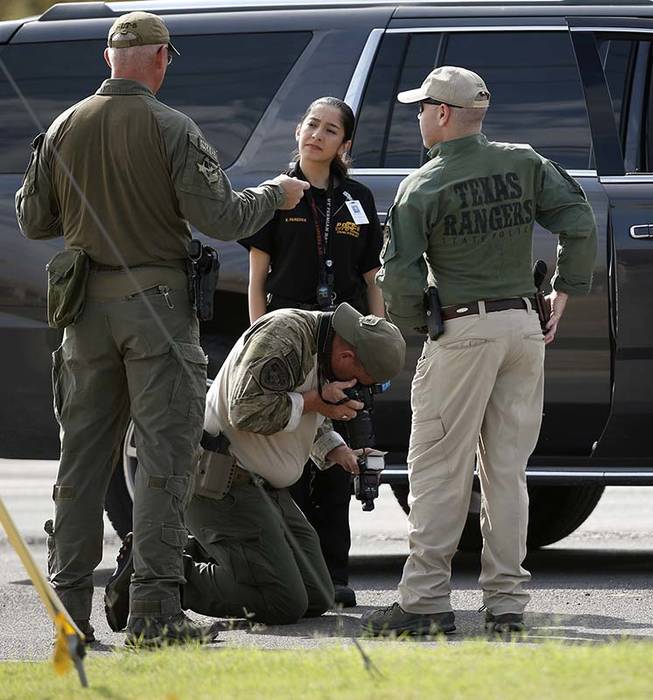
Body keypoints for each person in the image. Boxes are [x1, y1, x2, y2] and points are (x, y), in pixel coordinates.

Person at [14, 11, 309, 647]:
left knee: (82, 463)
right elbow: (222, 216)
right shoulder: (171, 127)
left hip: (83, 317)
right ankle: (154, 613)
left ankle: (68, 618)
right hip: (156, 311)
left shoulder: (63, 126)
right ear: (161, 58)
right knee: (164, 462)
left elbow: (34, 221)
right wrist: (277, 196)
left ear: (108, 58)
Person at [363, 66, 597, 636]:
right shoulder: (523, 161)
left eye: (423, 108)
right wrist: (564, 289)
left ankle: (423, 602)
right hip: (523, 328)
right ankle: (507, 604)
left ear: (443, 114)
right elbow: (579, 220)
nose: (418, 116)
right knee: (507, 473)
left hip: (464, 331)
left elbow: (398, 275)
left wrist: (424, 324)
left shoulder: (422, 184)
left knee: (439, 469)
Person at [105, 303, 405, 627]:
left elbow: (304, 412)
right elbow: (245, 409)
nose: (357, 390)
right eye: (360, 380)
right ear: (346, 357)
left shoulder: (323, 349)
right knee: (282, 602)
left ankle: (207, 553)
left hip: (264, 489)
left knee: (317, 594)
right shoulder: (285, 336)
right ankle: (157, 572)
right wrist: (316, 402)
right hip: (222, 484)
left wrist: (338, 450)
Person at [242, 97, 384, 607]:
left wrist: (378, 342)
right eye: (310, 124)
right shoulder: (277, 194)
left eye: (330, 130)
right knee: (291, 461)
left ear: (344, 144)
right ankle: (293, 574)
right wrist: (258, 344)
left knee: (337, 461)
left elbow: (371, 280)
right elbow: (258, 279)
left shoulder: (357, 198)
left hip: (343, 346)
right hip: (289, 340)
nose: (316, 135)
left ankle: (333, 574)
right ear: (298, 131)